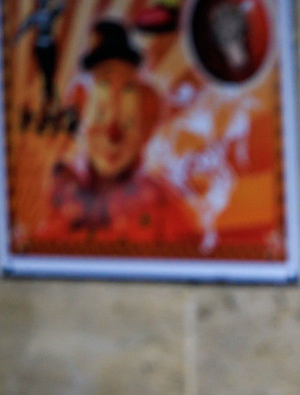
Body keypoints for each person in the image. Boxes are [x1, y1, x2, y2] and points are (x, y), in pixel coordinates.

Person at [34, 20, 202, 252]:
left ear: (147, 124)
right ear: (81, 112)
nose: (113, 135)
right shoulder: (56, 198)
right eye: (100, 113)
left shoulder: (163, 209)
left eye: (128, 120)